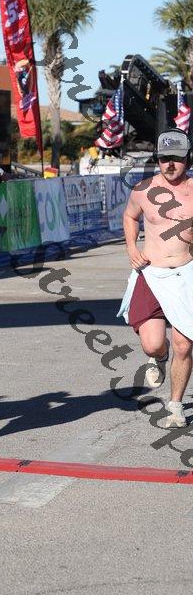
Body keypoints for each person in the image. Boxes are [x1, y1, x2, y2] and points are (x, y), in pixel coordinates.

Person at [118, 127, 193, 428]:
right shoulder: (143, 190)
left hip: (186, 273)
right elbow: (129, 216)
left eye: (177, 158)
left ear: (188, 158)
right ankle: (159, 357)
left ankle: (175, 407)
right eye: (164, 158)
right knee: (152, 344)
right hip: (151, 274)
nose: (170, 164)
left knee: (184, 345)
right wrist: (131, 247)